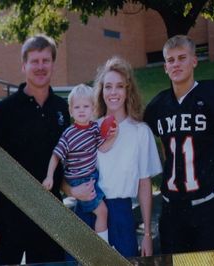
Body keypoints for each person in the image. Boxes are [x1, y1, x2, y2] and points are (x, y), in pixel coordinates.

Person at [143, 35, 214, 254]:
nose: (176, 64)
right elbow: (168, 155)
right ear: (165, 67)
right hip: (171, 211)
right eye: (170, 60)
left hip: (207, 210)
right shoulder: (158, 106)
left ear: (194, 61)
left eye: (182, 58)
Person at [0, 34, 70, 265]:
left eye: (45, 61)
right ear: (23, 66)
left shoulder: (63, 110)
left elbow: (69, 166)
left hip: (51, 217)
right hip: (8, 215)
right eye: (34, 61)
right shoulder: (3, 111)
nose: (40, 67)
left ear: (53, 64)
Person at [63, 56, 162, 257]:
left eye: (119, 86)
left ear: (128, 90)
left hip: (121, 215)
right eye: (108, 86)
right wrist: (74, 191)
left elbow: (144, 184)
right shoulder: (88, 128)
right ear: (101, 90)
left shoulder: (140, 132)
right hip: (88, 210)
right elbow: (65, 178)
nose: (113, 92)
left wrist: (148, 235)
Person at [42, 84, 117, 243]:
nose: (81, 110)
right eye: (77, 107)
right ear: (70, 111)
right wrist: (49, 177)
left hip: (92, 176)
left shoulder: (94, 129)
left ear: (93, 109)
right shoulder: (69, 134)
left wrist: (112, 137)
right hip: (79, 179)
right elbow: (56, 156)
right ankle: (102, 249)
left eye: (86, 106)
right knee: (102, 212)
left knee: (92, 214)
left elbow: (102, 148)